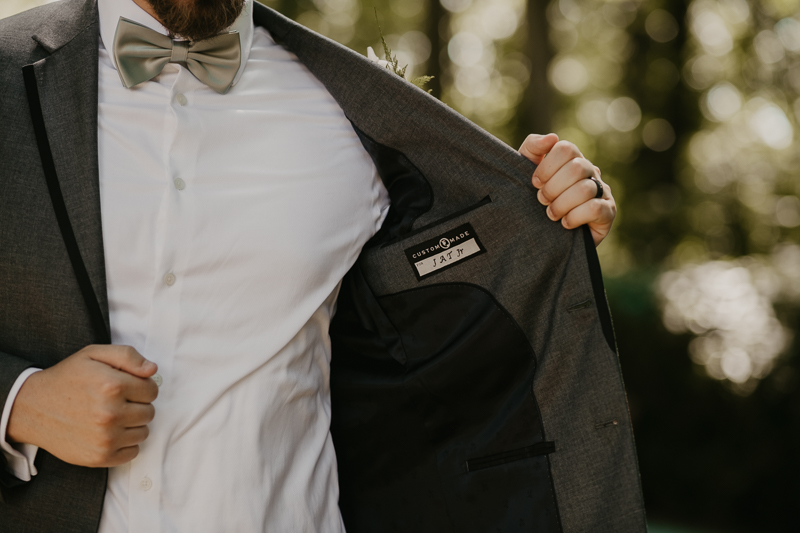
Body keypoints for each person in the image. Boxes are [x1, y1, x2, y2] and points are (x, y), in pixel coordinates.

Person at [0, 0, 644, 531]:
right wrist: (20, 403)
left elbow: (472, 280)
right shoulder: (5, 82)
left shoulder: (347, 114)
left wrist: (556, 209)